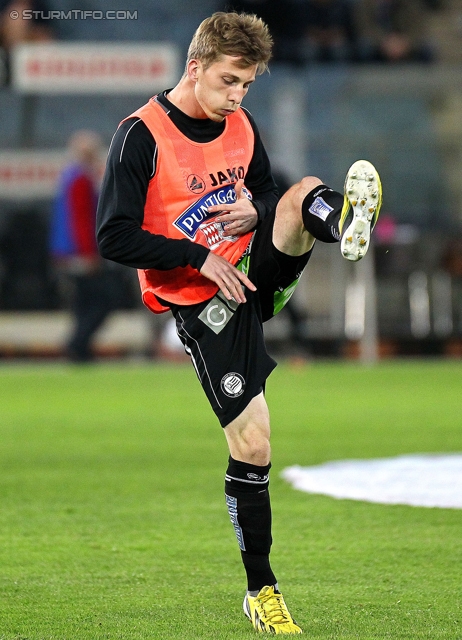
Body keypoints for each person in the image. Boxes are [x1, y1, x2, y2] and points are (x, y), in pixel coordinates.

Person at [96, 12, 382, 634]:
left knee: (299, 192)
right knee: (253, 445)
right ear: (195, 67)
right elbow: (112, 237)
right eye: (229, 82)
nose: (237, 97)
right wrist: (196, 254)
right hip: (203, 299)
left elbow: (263, 189)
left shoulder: (241, 123)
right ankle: (261, 591)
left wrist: (256, 210)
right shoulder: (139, 136)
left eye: (247, 86)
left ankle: (346, 228)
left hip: (252, 266)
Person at [50, 130, 120, 362]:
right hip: (79, 254)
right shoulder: (81, 179)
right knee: (101, 301)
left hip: (66, 252)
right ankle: (78, 345)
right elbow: (81, 219)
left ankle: (79, 348)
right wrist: (90, 253)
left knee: (83, 304)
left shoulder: (68, 176)